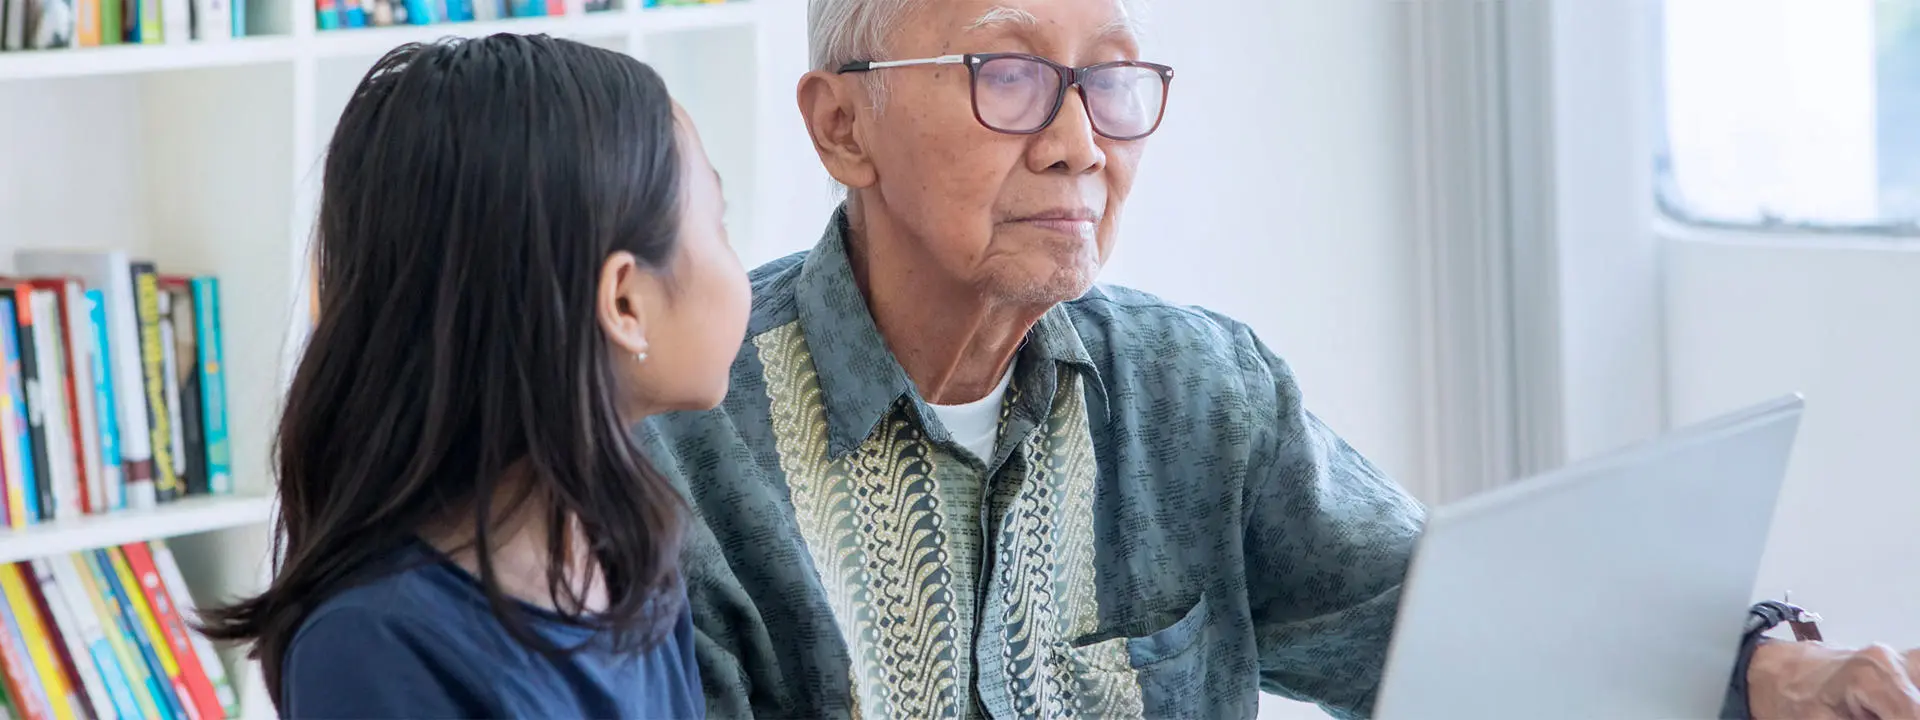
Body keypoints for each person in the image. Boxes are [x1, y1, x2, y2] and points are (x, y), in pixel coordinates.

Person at [639, 0, 1920, 718]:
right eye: (1010, 73)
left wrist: (1773, 671)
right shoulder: (676, 436)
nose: (1084, 143)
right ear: (841, 127)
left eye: (1116, 81)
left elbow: (1458, 632)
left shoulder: (1201, 392)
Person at [199, 34, 750, 719]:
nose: (739, 257)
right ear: (625, 303)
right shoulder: (374, 649)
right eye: (720, 222)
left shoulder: (630, 564)